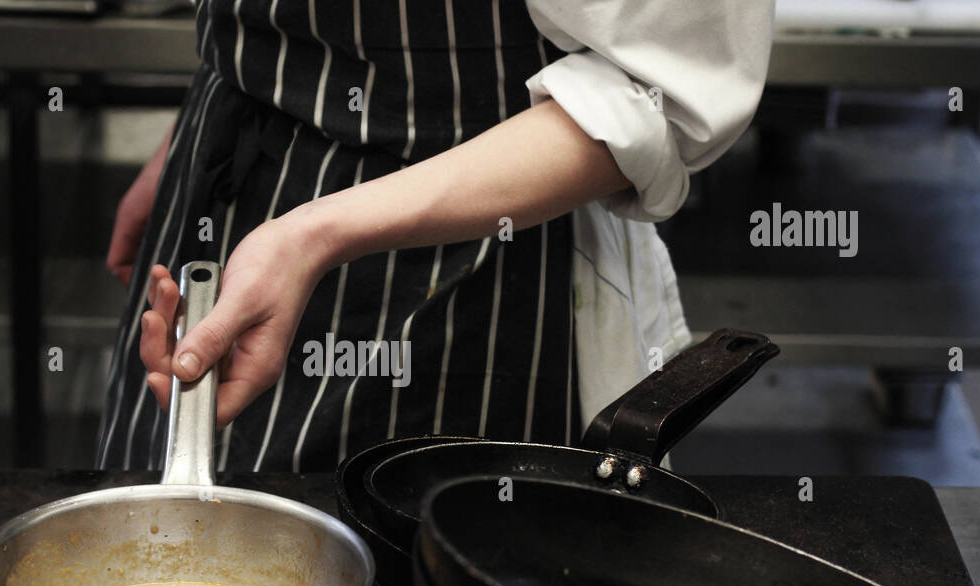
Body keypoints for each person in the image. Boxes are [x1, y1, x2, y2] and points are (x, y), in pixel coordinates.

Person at [97, 0, 774, 473]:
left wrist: (311, 236)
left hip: (456, 251)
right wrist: (188, 143)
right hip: (224, 180)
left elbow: (657, 90)